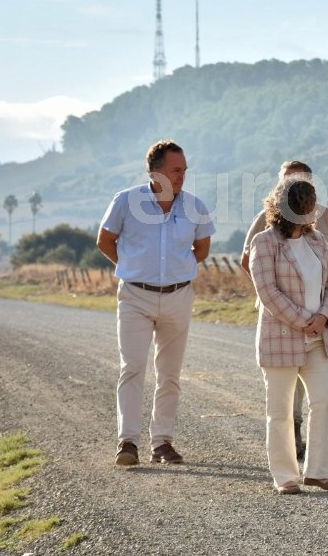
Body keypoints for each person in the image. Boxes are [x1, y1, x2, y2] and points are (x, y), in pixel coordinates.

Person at [97, 139, 215, 466]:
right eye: (176, 170)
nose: (182, 176)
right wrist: (133, 265)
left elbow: (202, 249)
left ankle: (162, 442)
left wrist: (175, 267)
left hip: (178, 297)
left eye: (184, 170)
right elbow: (105, 240)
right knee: (132, 367)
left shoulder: (195, 206)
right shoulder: (125, 201)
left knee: (170, 374)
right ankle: (128, 443)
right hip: (135, 296)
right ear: (156, 171)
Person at [241, 160, 328, 459]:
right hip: (280, 323)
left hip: (316, 331)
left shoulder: (321, 230)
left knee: (323, 399)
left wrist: (321, 317)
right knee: (282, 403)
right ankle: (287, 465)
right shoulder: (264, 233)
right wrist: (301, 317)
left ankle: (317, 470)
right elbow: (257, 272)